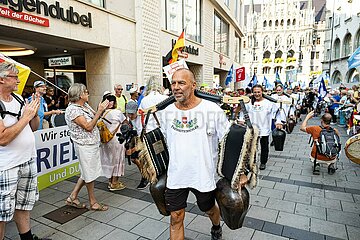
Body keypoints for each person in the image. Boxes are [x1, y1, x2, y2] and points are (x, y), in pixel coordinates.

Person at [159, 68, 248, 240]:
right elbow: (165, 141)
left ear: (193, 85)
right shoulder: (167, 112)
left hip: (203, 174)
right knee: (175, 216)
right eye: (173, 83)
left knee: (208, 209)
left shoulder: (211, 110)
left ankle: (216, 226)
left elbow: (230, 141)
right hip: (176, 175)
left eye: (181, 83)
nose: (176, 87)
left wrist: (241, 172)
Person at [0, 62, 47, 240]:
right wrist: (26, 115)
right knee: (2, 214)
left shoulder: (19, 99)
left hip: (27, 160)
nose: (19, 80)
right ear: (1, 79)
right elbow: (2, 139)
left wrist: (34, 113)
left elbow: (32, 127)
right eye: (15, 77)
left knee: (24, 205)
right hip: (6, 166)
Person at [64, 83, 109, 211]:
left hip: (91, 144)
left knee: (86, 172)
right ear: (79, 95)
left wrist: (101, 110)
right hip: (84, 145)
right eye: (85, 91)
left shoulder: (84, 106)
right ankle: (93, 202)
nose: (88, 93)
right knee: (89, 174)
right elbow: (88, 127)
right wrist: (99, 111)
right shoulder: (73, 110)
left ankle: (72, 197)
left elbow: (95, 118)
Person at [237, 84, 284, 170]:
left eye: (258, 92)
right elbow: (242, 111)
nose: (257, 94)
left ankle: (263, 162)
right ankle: (250, 162)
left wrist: (278, 121)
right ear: (252, 93)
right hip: (251, 129)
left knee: (264, 147)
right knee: (251, 147)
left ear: (262, 92)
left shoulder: (269, 103)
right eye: (255, 92)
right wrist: (241, 119)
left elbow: (277, 112)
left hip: (264, 129)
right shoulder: (249, 102)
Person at [99, 93, 127, 191]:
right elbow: (125, 122)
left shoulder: (102, 113)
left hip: (106, 140)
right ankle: (115, 183)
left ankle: (110, 181)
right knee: (117, 160)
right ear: (114, 102)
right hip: (117, 139)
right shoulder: (117, 112)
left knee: (110, 160)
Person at [124, 100, 149, 190]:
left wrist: (133, 149)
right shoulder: (129, 118)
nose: (130, 116)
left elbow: (141, 138)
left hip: (143, 138)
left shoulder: (141, 118)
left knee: (139, 159)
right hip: (135, 138)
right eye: (128, 114)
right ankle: (145, 174)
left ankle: (145, 177)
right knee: (134, 159)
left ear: (137, 111)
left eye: (132, 114)